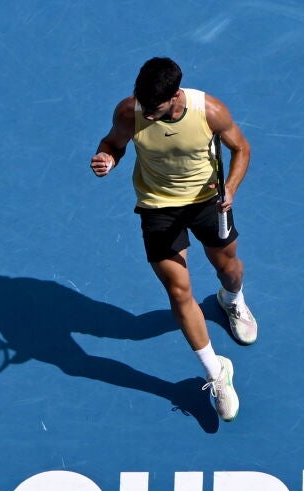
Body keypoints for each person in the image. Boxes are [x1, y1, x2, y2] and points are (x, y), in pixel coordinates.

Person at [90, 56, 257, 421]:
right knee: (178, 291)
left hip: (207, 202)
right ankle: (216, 372)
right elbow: (113, 143)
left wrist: (230, 188)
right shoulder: (131, 111)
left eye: (155, 108)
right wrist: (107, 158)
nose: (146, 114)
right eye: (143, 106)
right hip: (158, 207)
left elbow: (241, 148)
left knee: (229, 269)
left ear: (176, 95)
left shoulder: (209, 111)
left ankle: (231, 299)